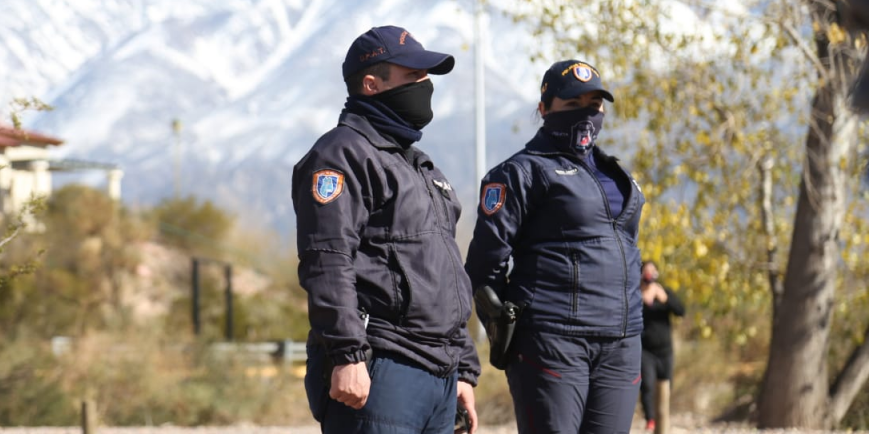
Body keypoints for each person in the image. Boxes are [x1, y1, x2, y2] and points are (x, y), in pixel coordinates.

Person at [292, 25, 480, 434]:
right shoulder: (341, 154)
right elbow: (327, 260)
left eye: (426, 77)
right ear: (372, 84)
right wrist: (346, 355)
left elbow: (444, 274)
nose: (425, 85)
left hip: (440, 376)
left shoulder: (420, 166)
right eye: (413, 76)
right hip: (382, 368)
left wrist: (463, 368)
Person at [465, 59, 646, 433]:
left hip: (621, 342)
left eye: (595, 105)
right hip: (552, 341)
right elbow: (484, 266)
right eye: (573, 104)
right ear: (544, 108)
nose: (587, 113)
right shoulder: (519, 173)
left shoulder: (616, 173)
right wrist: (505, 331)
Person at [638, 261, 685, 434]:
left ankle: (662, 421)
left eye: (652, 270)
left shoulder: (664, 292)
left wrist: (665, 298)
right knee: (648, 385)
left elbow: (681, 311)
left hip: (665, 350)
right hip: (645, 350)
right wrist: (642, 300)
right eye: (646, 270)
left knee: (666, 387)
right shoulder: (636, 294)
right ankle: (650, 419)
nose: (649, 274)